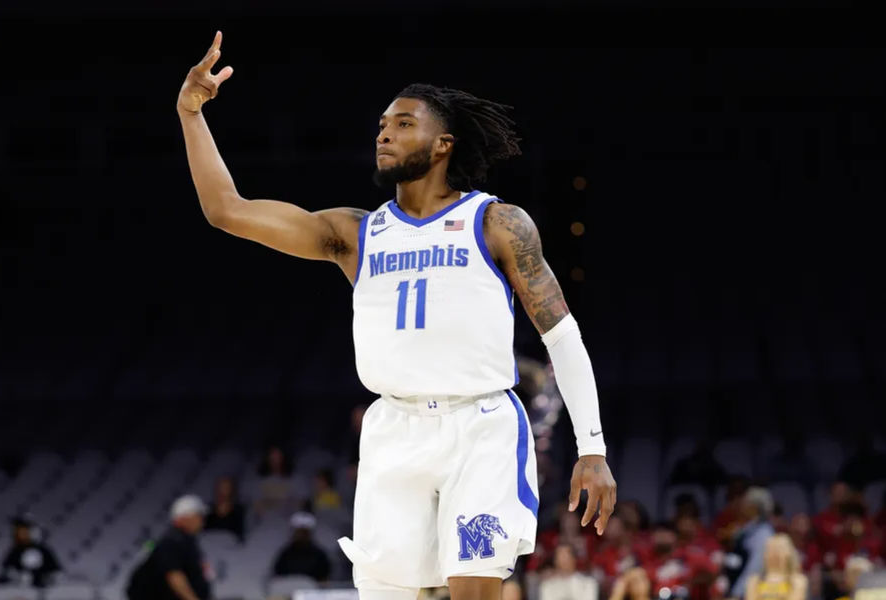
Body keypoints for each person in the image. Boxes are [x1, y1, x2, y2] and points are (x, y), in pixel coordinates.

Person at [177, 31, 617, 600]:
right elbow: (226, 211)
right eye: (382, 124)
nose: (384, 132)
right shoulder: (355, 234)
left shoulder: (498, 223)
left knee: (473, 588)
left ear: (443, 145)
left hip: (478, 425)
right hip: (392, 432)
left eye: (404, 123)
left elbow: (563, 337)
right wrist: (191, 113)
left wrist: (593, 448)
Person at [126, 495, 212, 600]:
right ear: (183, 518)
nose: (202, 520)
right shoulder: (172, 542)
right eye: (198, 515)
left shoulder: (187, 542)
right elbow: (174, 577)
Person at [725, 487, 777, 599]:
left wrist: (736, 594)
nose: (741, 506)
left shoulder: (764, 534)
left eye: (745, 503)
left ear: (754, 507)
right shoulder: (746, 529)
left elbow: (754, 570)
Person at [0, 516, 61, 588]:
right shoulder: (16, 550)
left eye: (26, 529)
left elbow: (57, 572)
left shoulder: (45, 550)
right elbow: (5, 570)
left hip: (42, 590)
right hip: (19, 592)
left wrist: (47, 579)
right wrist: (17, 577)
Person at [744, 534, 808, 600]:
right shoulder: (754, 581)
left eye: (779, 549)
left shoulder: (798, 581)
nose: (774, 554)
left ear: (788, 553)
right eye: (770, 549)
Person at [272, 512, 332, 582]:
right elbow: (278, 576)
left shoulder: (320, 555)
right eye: (298, 532)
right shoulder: (285, 554)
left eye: (304, 532)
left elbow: (325, 578)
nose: (301, 535)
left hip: (313, 591)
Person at [203, 475, 246, 541]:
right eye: (220, 488)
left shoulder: (240, 512)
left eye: (226, 488)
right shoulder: (207, 512)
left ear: (233, 491)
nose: (222, 492)